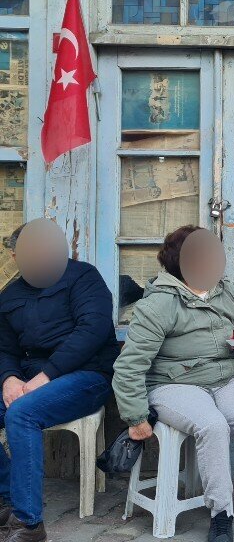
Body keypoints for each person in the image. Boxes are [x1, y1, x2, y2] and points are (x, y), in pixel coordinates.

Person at [112, 225, 234, 542]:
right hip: (173, 384)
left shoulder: (226, 292)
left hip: (222, 379)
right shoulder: (158, 304)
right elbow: (129, 366)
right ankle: (221, 513)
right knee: (213, 426)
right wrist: (136, 417)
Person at [0, 220, 120, 542]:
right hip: (29, 379)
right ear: (15, 256)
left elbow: (92, 330)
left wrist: (46, 376)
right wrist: (8, 379)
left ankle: (29, 524)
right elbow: (5, 348)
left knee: (22, 413)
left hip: (86, 376)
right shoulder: (10, 295)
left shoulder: (83, 278)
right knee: (17, 404)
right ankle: (7, 497)